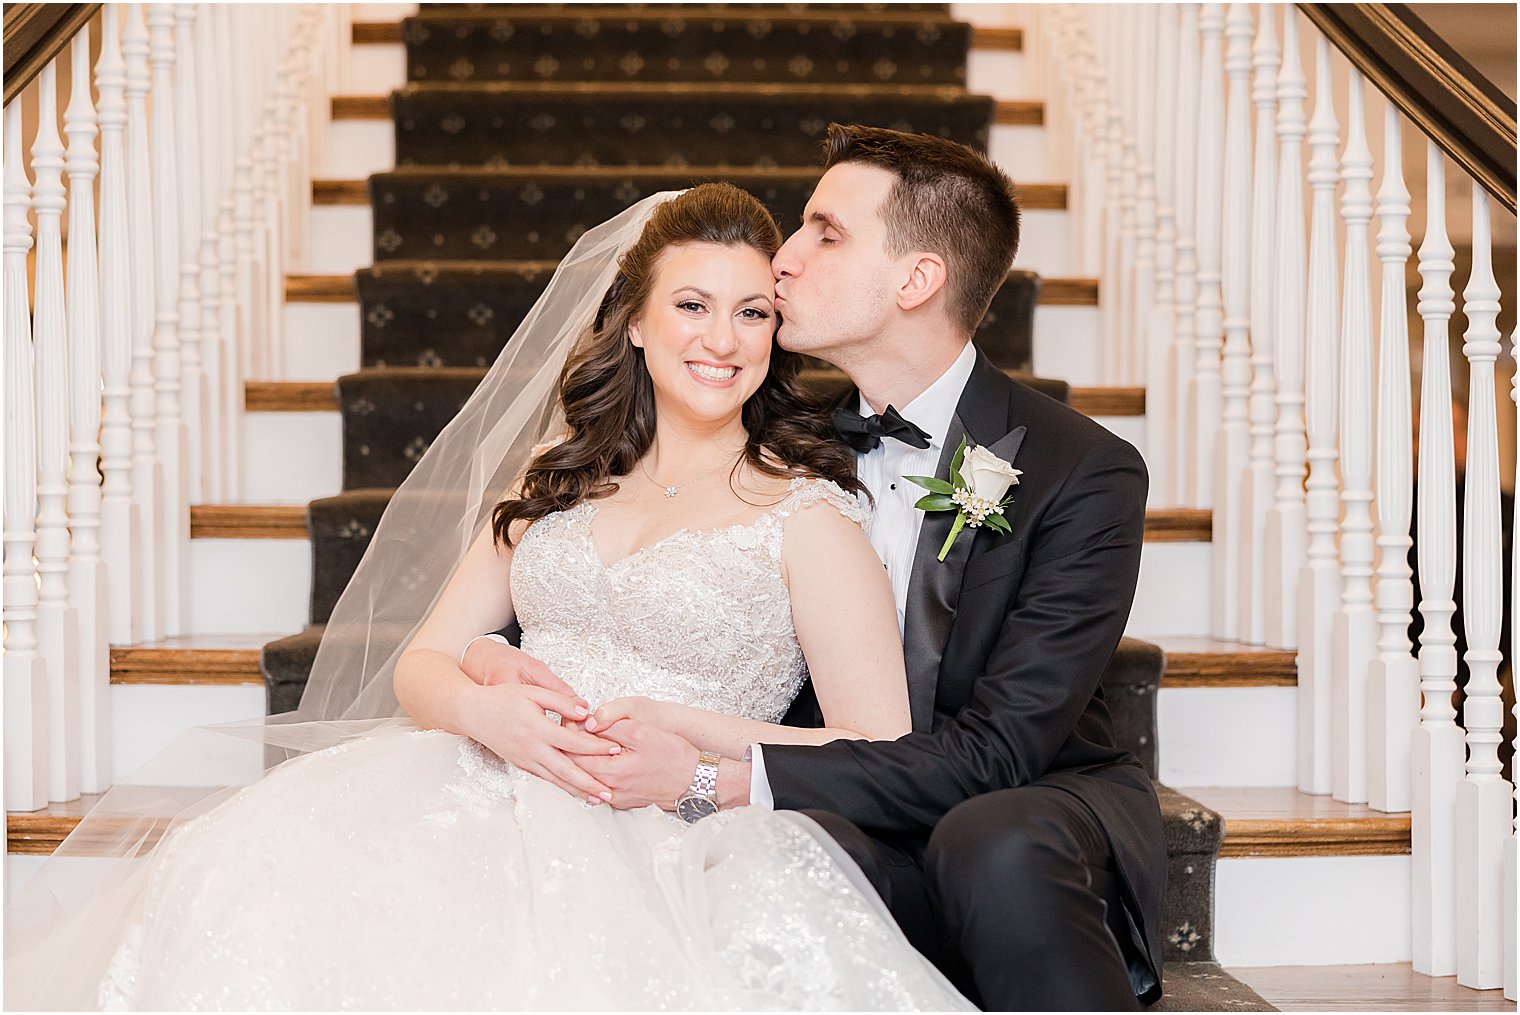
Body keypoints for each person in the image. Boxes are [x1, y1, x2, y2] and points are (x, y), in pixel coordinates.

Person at [4, 184, 973, 1011]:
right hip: (469, 779)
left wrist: (684, 748)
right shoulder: (561, 480)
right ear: (634, 320)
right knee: (253, 898)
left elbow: (878, 748)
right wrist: (486, 706)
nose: (721, 339)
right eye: (690, 305)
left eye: (752, 311)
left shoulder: (807, 515)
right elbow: (421, 664)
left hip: (670, 833)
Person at [466, 126, 1169, 1011]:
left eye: (824, 233)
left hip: (1025, 796)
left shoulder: (1082, 469)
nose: (784, 260)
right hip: (836, 794)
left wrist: (707, 777)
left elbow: (998, 750)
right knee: (777, 860)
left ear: (916, 280)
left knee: (991, 837)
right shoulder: (778, 447)